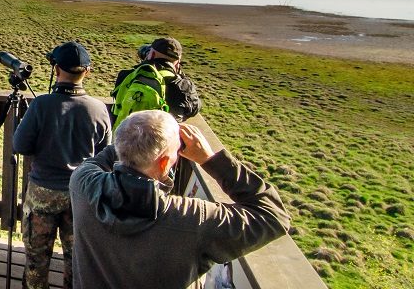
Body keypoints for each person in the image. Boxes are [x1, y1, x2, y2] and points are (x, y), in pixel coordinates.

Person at [67, 110, 291, 289]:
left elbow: (99, 159)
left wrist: (135, 138)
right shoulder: (194, 219)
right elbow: (274, 215)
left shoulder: (83, 184)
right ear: (164, 163)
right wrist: (210, 159)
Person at [12, 41, 111, 289]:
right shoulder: (98, 109)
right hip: (81, 195)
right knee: (77, 260)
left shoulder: (41, 105)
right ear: (86, 72)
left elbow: (20, 145)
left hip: (42, 193)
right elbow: (104, 157)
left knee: (36, 260)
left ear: (56, 70)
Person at [112, 37, 202, 124]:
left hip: (124, 134)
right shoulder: (184, 86)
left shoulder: (126, 76)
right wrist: (181, 75)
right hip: (162, 137)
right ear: (177, 63)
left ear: (152, 55)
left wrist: (143, 65)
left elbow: (118, 100)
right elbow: (195, 109)